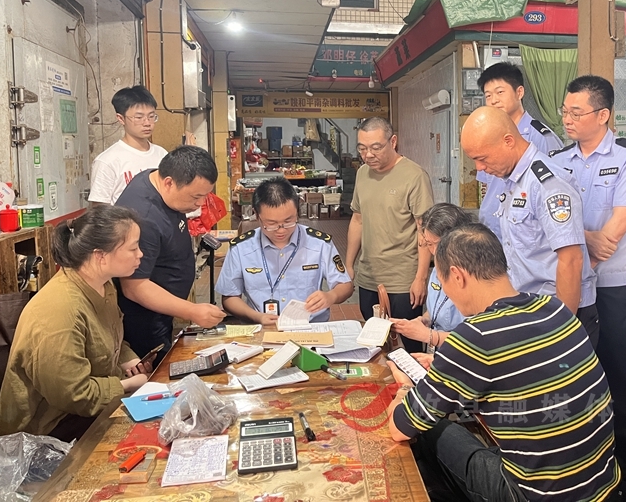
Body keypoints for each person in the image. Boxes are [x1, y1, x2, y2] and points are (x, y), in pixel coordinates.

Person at [385, 223, 620, 501]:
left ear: (457, 276)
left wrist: (405, 389)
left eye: (443, 283)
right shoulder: (555, 309)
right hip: (603, 485)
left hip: (532, 495)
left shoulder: (475, 336)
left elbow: (400, 427)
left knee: (430, 429)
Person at [548, 76, 626, 501]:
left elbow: (614, 233)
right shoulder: (557, 160)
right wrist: (585, 239)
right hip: (571, 290)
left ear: (603, 114)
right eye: (565, 111)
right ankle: (585, 473)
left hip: (611, 290)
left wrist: (579, 240)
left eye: (576, 112)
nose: (567, 119)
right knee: (574, 385)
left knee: (623, 385)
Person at [0, 206, 150, 439]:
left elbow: (110, 338)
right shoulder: (59, 310)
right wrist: (128, 385)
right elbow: (75, 395)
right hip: (48, 430)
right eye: (133, 248)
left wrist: (129, 360)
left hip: (88, 410)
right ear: (100, 256)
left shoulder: (104, 285)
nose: (140, 254)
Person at [461, 106, 598, 343]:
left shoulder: (547, 184)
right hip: (528, 308)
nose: (479, 168)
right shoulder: (512, 180)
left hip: (555, 313)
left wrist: (561, 330)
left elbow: (571, 260)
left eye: (482, 158)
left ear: (508, 141)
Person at [115, 145, 225, 364]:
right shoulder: (144, 218)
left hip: (164, 311)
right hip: (145, 318)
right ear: (168, 183)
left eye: (205, 196)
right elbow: (134, 286)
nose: (200, 204)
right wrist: (192, 311)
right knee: (158, 371)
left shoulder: (153, 179)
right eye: (196, 196)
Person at [346, 117, 434, 353]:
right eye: (362, 148)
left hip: (403, 279)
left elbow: (424, 230)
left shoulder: (414, 176)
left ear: (393, 141)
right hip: (369, 275)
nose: (368, 155)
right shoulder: (362, 173)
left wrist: (420, 278)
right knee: (375, 344)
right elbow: (357, 219)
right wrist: (349, 264)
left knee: (410, 343)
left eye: (376, 147)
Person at [216, 178, 353, 323]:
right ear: (256, 215)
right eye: (271, 223)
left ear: (298, 211)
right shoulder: (241, 248)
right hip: (260, 328)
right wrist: (257, 316)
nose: (281, 230)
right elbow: (229, 297)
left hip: (309, 327)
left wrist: (331, 296)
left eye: (288, 221)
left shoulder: (319, 243)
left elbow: (345, 285)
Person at [477, 62, 562, 237]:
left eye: (500, 92)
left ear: (519, 92)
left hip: (525, 237)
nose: (494, 100)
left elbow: (556, 192)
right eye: (488, 95)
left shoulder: (540, 137)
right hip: (490, 232)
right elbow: (486, 186)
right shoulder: (487, 136)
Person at [389, 203, 473, 352]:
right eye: (428, 244)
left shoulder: (473, 276)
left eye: (438, 244)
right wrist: (425, 320)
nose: (434, 252)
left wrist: (429, 335)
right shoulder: (437, 269)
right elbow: (436, 308)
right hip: (436, 352)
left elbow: (475, 339)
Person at [88, 86, 168, 205]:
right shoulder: (107, 161)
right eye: (139, 117)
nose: (147, 123)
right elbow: (99, 209)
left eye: (151, 116)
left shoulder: (162, 154)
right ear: (121, 119)